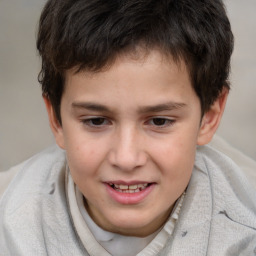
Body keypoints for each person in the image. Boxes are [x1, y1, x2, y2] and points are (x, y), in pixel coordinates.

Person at [1, 0, 256, 255]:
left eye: (159, 121)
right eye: (96, 121)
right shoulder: (9, 227)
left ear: (209, 117)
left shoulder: (246, 233)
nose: (126, 158)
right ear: (56, 119)